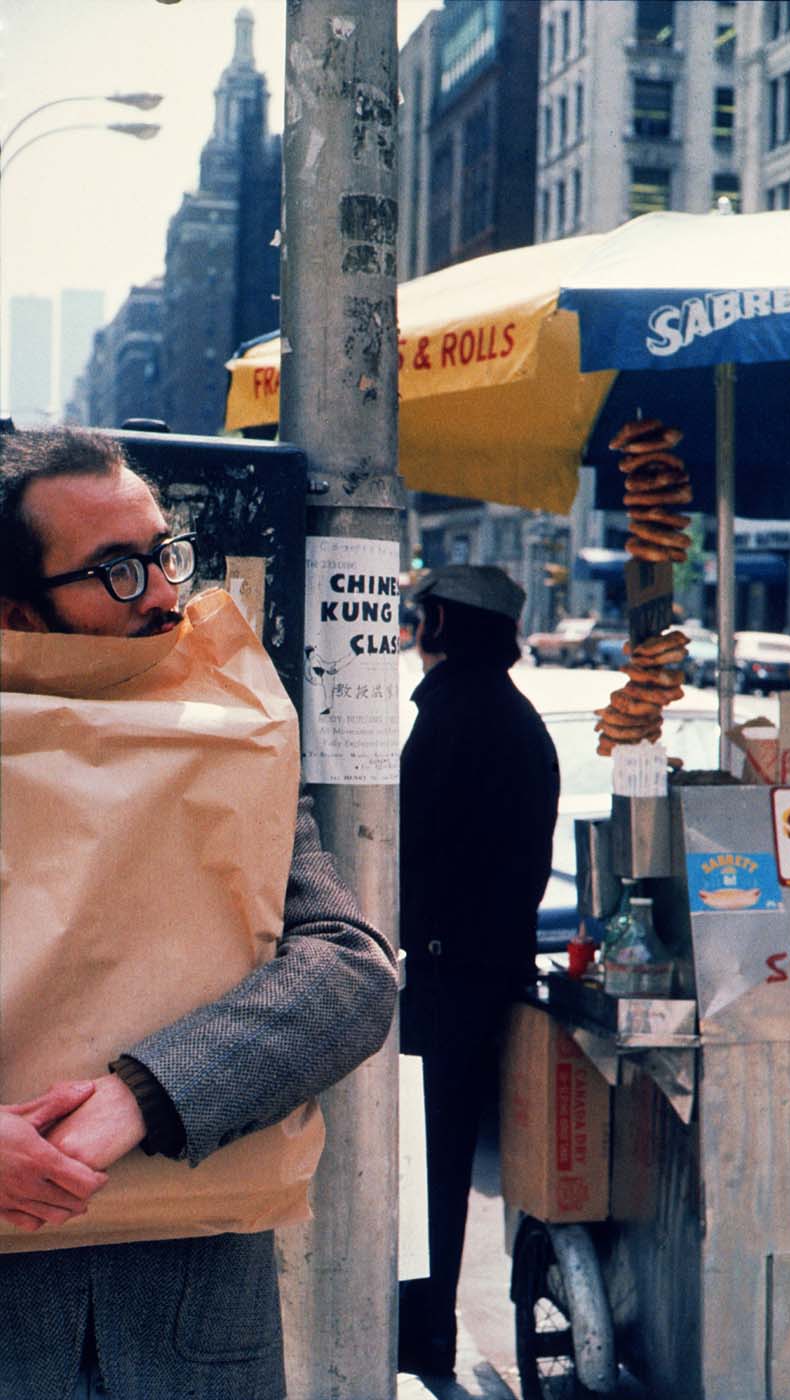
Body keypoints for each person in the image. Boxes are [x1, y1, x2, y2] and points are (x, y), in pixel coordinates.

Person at [0, 427, 398, 1400]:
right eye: (117, 571)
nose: (166, 593)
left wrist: (147, 1093)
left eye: (163, 554)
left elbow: (348, 966)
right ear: (17, 609)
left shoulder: (222, 734)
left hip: (189, 1333)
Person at [398, 565, 560, 1379]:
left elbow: (408, 845)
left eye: (419, 614)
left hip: (446, 976)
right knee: (443, 1158)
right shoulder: (512, 716)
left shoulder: (456, 714)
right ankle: (423, 1328)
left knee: (431, 1162)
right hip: (485, 968)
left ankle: (422, 1332)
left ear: (441, 623)